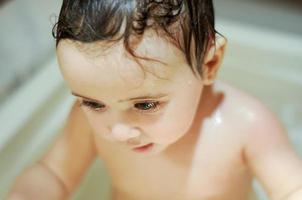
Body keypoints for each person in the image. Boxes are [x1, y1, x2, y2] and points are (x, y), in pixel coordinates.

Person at [6, 0, 302, 199]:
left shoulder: (245, 125)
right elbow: (54, 174)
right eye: (94, 103)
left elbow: (291, 188)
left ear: (209, 64)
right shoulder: (86, 122)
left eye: (145, 105)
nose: (118, 131)